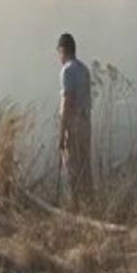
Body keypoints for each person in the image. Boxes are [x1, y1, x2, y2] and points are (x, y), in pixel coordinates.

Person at [57, 32, 93, 206]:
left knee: (71, 167)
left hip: (74, 123)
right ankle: (91, 204)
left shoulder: (67, 70)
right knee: (85, 166)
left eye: (59, 53)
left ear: (63, 50)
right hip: (86, 122)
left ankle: (75, 207)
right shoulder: (84, 69)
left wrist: (62, 132)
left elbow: (67, 101)